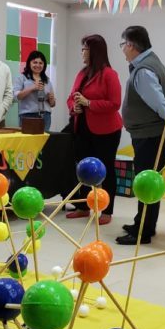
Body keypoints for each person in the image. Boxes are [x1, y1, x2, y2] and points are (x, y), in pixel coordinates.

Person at [116, 26, 165, 245]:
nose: (123, 50)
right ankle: (143, 224)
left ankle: (142, 232)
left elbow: (158, 101)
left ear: (131, 45)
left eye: (123, 45)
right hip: (150, 133)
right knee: (149, 180)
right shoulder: (150, 62)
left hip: (151, 135)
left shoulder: (144, 70)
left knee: (147, 182)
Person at [66, 34, 122, 225]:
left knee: (106, 169)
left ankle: (106, 210)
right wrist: (74, 107)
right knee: (83, 169)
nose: (82, 52)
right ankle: (83, 206)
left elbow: (115, 103)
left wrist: (89, 103)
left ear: (94, 51)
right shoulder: (82, 73)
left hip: (106, 130)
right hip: (82, 127)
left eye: (85, 49)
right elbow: (71, 97)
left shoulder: (109, 74)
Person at [13, 50, 56, 131]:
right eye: (35, 62)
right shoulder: (22, 78)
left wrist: (52, 100)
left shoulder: (47, 80)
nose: (38, 65)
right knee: (28, 142)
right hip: (27, 116)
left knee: (44, 142)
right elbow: (16, 97)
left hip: (45, 116)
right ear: (29, 63)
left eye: (40, 63)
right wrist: (32, 88)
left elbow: (52, 104)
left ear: (44, 65)